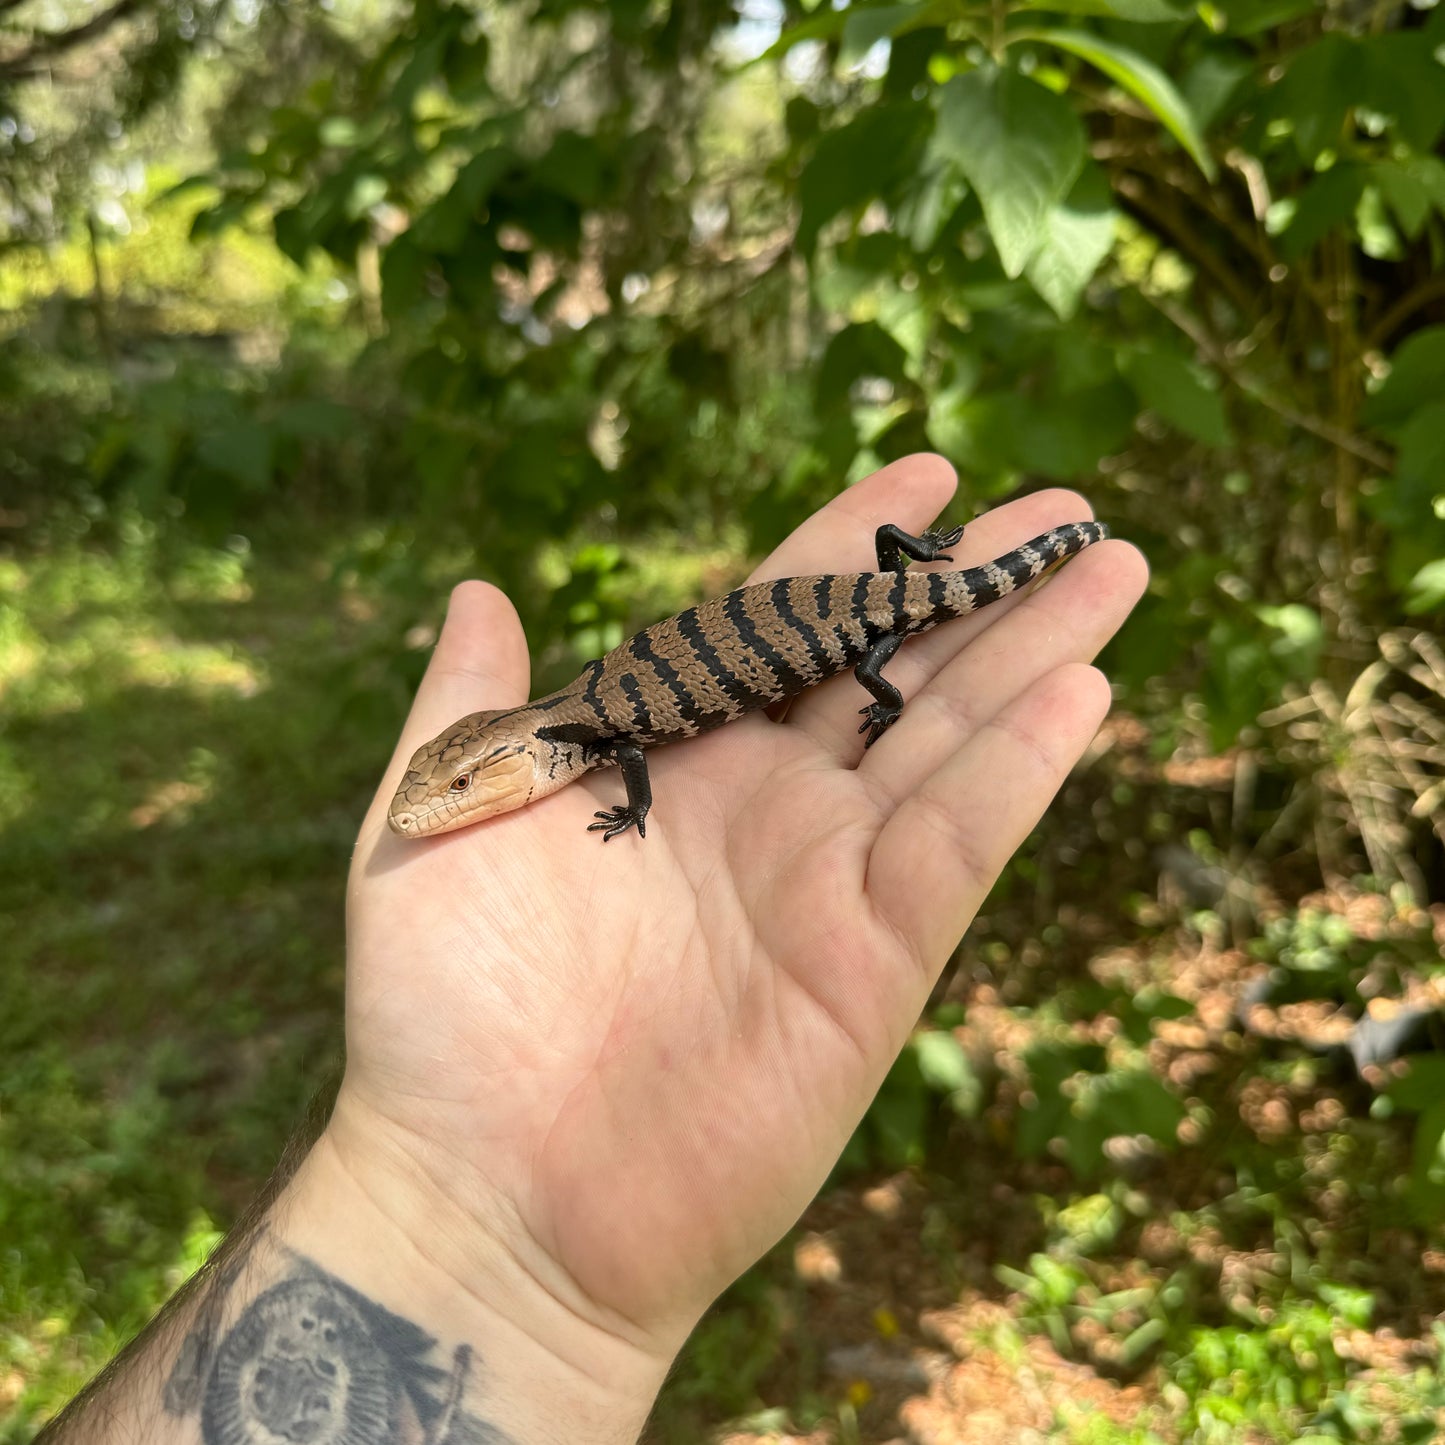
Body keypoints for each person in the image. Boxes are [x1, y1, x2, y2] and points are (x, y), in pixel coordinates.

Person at [38, 454, 1147, 1444]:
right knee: (909, 600)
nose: (433, 806)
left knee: (900, 637)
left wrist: (635, 814)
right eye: (448, 782)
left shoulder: (597, 731)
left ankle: (1057, 550)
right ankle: (1041, 550)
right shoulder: (568, 721)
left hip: (861, 622)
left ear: (512, 750)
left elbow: (639, 763)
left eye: (460, 782)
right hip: (861, 598)